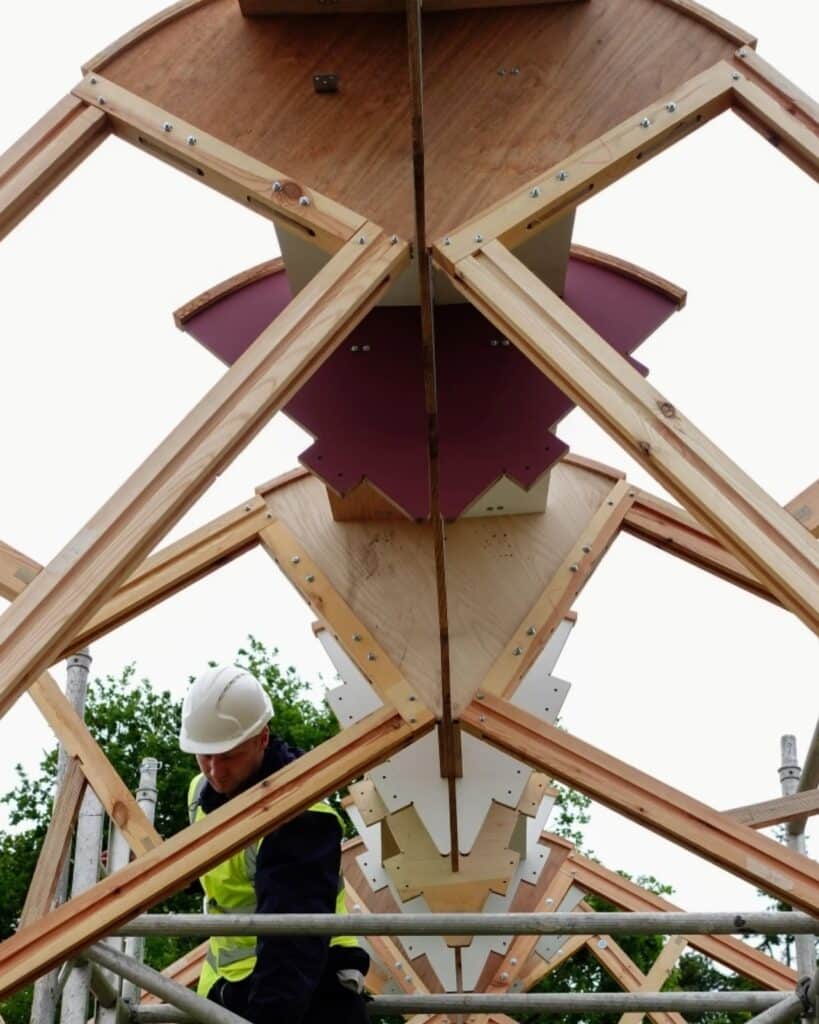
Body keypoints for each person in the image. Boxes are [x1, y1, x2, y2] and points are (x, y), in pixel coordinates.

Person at [179, 664, 370, 1023]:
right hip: (231, 986)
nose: (215, 772)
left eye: (229, 755)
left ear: (262, 738)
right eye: (205, 756)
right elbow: (217, 870)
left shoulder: (300, 818)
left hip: (309, 994)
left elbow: (291, 944)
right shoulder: (198, 792)